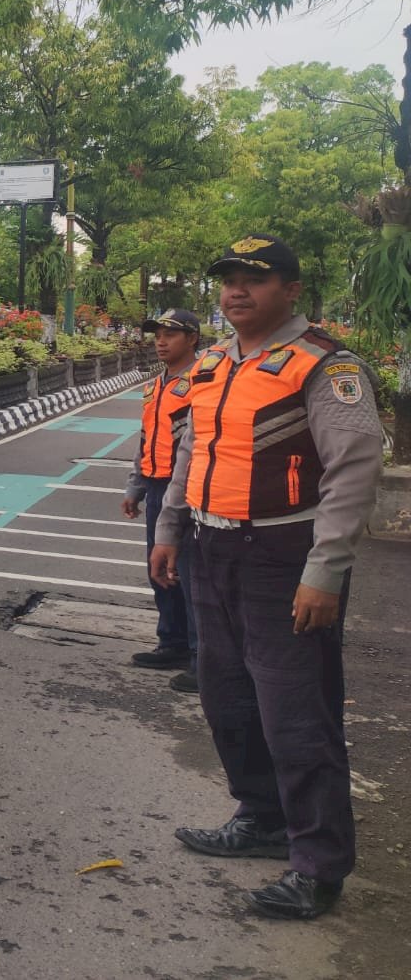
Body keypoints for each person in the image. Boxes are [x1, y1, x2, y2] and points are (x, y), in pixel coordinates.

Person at [151, 235, 383, 920]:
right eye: (227, 279)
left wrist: (326, 569)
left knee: (297, 713)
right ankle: (261, 816)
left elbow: (354, 468)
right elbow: (195, 447)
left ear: (289, 286)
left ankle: (318, 865)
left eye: (254, 278)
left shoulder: (323, 364)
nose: (236, 291)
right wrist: (170, 528)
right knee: (226, 697)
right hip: (210, 546)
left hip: (284, 555)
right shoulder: (217, 361)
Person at [121, 308, 201, 692]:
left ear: (192, 338)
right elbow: (144, 438)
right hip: (155, 485)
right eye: (157, 335)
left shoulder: (204, 381)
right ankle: (172, 642)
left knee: (190, 573)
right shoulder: (156, 385)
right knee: (160, 571)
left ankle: (204, 659)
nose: (161, 341)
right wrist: (135, 487)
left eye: (170, 334)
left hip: (186, 488)